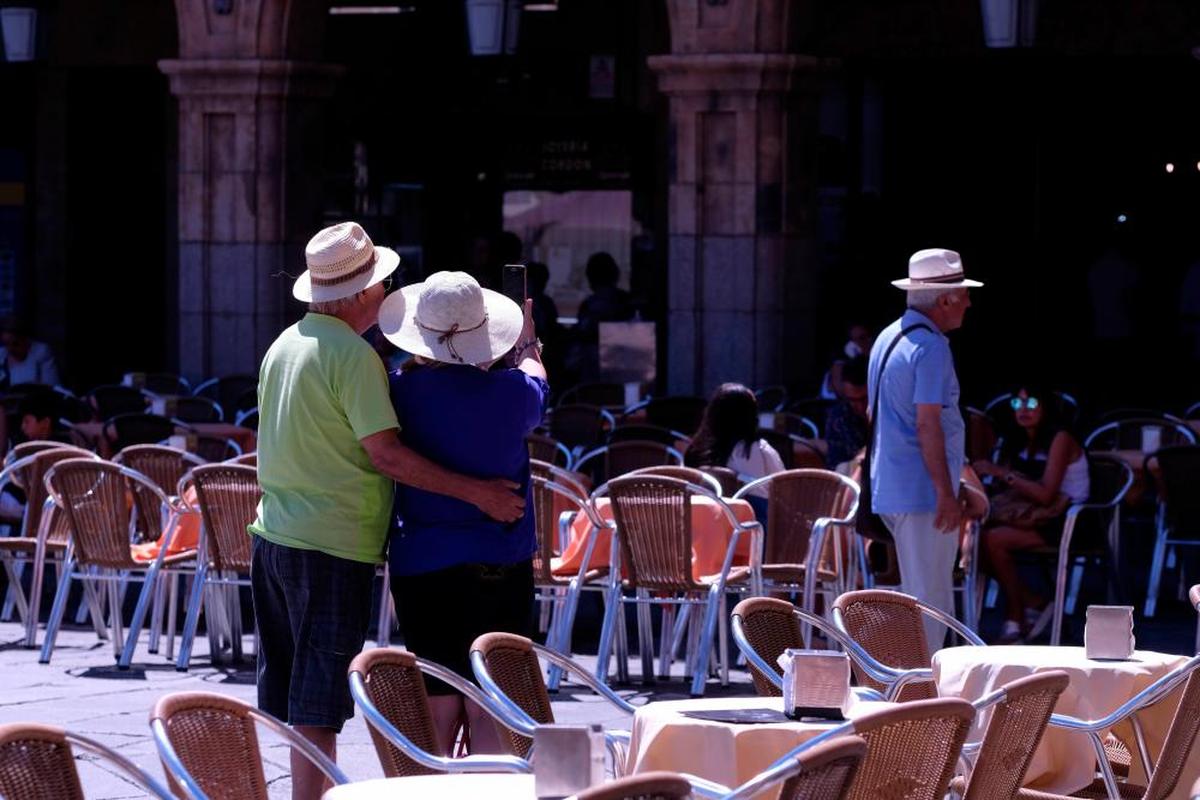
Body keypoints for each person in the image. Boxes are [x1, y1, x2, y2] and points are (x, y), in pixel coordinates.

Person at [248, 222, 525, 800]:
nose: (388, 291)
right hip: (331, 543)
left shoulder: (286, 342)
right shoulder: (354, 357)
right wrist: (480, 494)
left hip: (275, 534)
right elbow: (388, 456)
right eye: (380, 282)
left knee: (293, 696)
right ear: (355, 294)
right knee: (320, 702)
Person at [378, 270, 547, 753]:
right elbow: (537, 378)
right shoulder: (513, 393)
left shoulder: (398, 393)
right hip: (500, 559)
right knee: (492, 697)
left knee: (436, 696)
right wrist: (530, 344)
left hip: (423, 562)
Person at [868, 248, 980, 647]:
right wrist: (945, 494)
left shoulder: (887, 337)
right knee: (931, 606)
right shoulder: (931, 347)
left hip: (895, 489)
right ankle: (923, 700)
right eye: (963, 293)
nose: (968, 301)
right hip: (921, 496)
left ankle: (914, 694)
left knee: (920, 600)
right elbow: (927, 423)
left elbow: (874, 414)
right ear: (945, 299)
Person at [973, 386, 1089, 643]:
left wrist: (1002, 473)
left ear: (1046, 406)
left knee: (993, 540)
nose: (1023, 409)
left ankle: (1016, 615)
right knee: (973, 542)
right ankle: (1032, 601)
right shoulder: (1017, 439)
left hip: (1067, 520)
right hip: (1031, 515)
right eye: (1017, 403)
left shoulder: (1061, 438)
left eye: (1031, 402)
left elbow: (1047, 494)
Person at [685, 383, 785, 517]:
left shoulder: (697, 449)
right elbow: (785, 489)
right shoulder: (760, 450)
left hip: (708, 523)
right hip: (755, 526)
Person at [824, 355, 869, 468]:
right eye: (853, 400)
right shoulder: (839, 418)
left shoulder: (888, 415)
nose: (860, 406)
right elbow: (835, 465)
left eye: (864, 399)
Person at [0, 318, 60, 389]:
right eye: (6, 344)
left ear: (26, 339)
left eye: (15, 343)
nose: (9, 349)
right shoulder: (2, 354)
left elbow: (52, 387)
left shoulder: (41, 351)